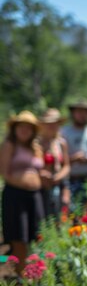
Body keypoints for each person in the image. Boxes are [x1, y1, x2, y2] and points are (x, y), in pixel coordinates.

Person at [0, 111, 45, 275]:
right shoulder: (9, 145)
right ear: (15, 128)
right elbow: (4, 172)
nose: (25, 130)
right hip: (15, 195)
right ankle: (21, 277)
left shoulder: (36, 148)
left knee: (36, 236)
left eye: (28, 127)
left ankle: (33, 274)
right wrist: (23, 184)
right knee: (19, 238)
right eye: (21, 127)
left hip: (34, 196)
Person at [38, 108, 71, 219]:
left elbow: (66, 165)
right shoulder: (37, 143)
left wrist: (58, 177)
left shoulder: (61, 143)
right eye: (49, 123)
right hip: (42, 185)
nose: (52, 126)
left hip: (59, 183)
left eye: (55, 123)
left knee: (60, 215)